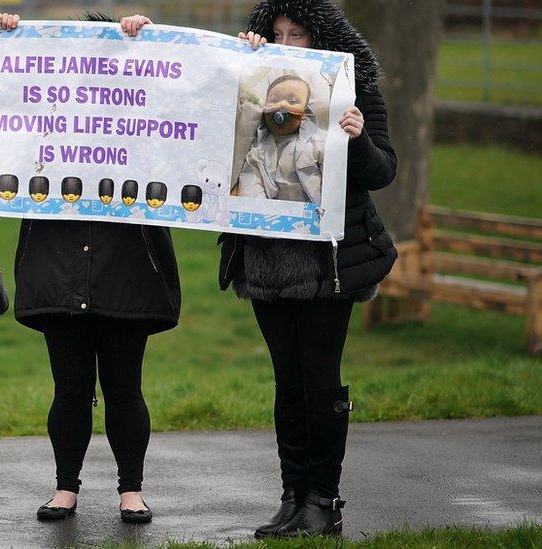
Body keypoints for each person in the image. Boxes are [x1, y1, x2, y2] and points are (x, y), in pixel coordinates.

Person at [122, 0, 397, 538]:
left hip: (328, 263)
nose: (286, 43)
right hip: (265, 259)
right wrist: (147, 38)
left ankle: (323, 499)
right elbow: (183, 91)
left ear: (320, 37)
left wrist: (358, 136)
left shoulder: (353, 90)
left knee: (320, 380)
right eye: (278, 33)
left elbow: (383, 170)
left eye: (298, 35)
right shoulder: (246, 85)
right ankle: (292, 496)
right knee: (286, 381)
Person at [0, 10, 181, 526]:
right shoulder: (42, 108)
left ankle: (131, 492)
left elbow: (188, 108)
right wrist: (13, 41)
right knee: (69, 390)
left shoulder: (146, 109)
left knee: (125, 388)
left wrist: (151, 39)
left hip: (128, 272)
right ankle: (64, 489)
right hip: (58, 269)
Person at [237, 74, 327, 205]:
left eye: (292, 101)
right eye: (273, 100)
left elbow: (332, 181)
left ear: (304, 113)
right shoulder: (258, 147)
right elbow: (251, 182)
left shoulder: (320, 142)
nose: (281, 105)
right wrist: (260, 211)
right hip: (273, 215)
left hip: (312, 212)